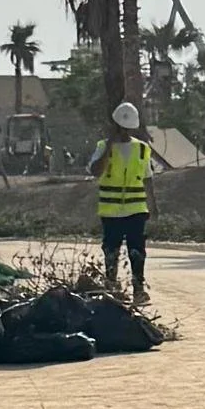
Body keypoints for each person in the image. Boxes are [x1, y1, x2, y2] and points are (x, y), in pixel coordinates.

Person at [91, 100, 153, 299]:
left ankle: (138, 289)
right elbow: (95, 171)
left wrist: (153, 206)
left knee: (137, 250)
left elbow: (148, 179)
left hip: (136, 209)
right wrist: (109, 148)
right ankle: (111, 286)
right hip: (111, 211)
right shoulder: (102, 147)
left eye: (126, 128)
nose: (123, 132)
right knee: (111, 249)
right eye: (120, 128)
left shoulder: (142, 149)